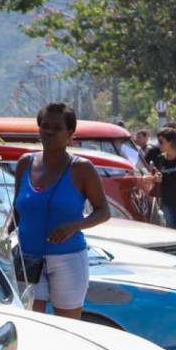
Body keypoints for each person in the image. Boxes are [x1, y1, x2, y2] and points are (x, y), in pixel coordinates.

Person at [12, 102, 111, 319]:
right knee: (31, 323)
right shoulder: (24, 164)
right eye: (44, 126)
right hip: (28, 258)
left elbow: (103, 211)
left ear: (70, 134)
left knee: (68, 327)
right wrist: (3, 243)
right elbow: (16, 213)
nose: (49, 132)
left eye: (57, 128)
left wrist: (75, 226)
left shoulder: (81, 168)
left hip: (68, 258)